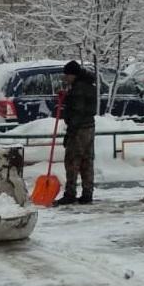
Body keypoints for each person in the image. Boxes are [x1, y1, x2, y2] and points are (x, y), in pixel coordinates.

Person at [56, 60, 97, 206]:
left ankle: (70, 193)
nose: (65, 78)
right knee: (87, 161)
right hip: (89, 128)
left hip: (79, 129)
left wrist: (70, 132)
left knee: (72, 161)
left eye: (67, 75)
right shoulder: (88, 86)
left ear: (73, 74)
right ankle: (87, 193)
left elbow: (77, 111)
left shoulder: (78, 89)